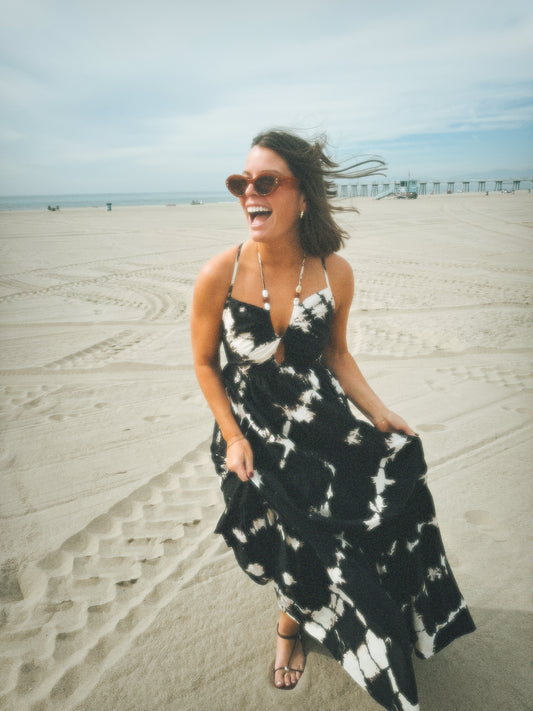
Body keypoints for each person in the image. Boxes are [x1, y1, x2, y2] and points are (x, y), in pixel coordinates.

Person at [190, 129, 475, 711]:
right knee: (297, 537)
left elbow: (337, 356)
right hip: (254, 433)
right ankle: (289, 630)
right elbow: (203, 363)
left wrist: (380, 412)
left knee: (397, 500)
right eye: (241, 183)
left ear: (301, 195)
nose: (250, 193)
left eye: (265, 181)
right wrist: (235, 438)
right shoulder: (220, 271)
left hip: (323, 426)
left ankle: (381, 617)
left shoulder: (334, 272)